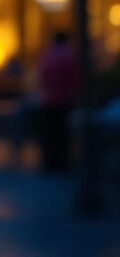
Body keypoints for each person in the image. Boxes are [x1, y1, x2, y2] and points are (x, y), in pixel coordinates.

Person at [38, 31, 79, 172]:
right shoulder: (70, 56)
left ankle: (50, 163)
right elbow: (75, 77)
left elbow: (42, 76)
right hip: (66, 100)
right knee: (63, 135)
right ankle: (63, 163)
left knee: (50, 134)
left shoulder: (48, 56)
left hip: (49, 100)